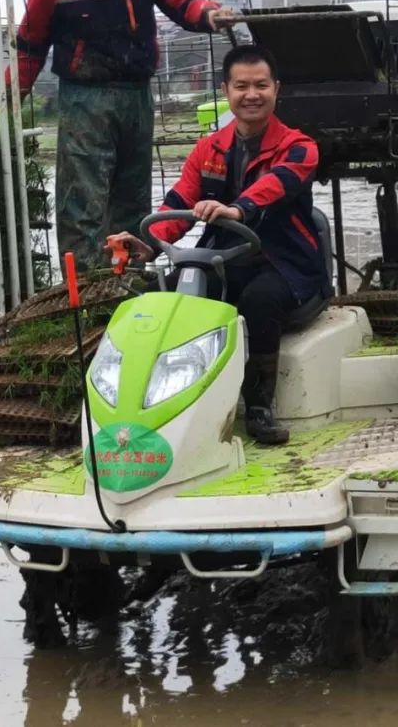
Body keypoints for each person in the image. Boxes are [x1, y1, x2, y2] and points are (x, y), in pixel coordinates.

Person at [108, 45, 328, 446]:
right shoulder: (208, 149)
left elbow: (271, 189)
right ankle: (164, 403)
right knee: (172, 295)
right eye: (241, 85)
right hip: (224, 256)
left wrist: (236, 210)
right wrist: (148, 245)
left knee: (259, 301)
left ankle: (259, 407)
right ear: (226, 91)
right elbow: (178, 203)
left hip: (285, 260)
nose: (252, 94)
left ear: (276, 89)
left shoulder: (300, 147)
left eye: (261, 85)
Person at [14, 0, 233, 271]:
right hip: (85, 96)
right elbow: (31, 42)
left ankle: (129, 277)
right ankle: (85, 287)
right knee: (82, 197)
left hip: (136, 93)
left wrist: (210, 14)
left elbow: (183, 1)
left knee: (133, 192)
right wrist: (15, 94)